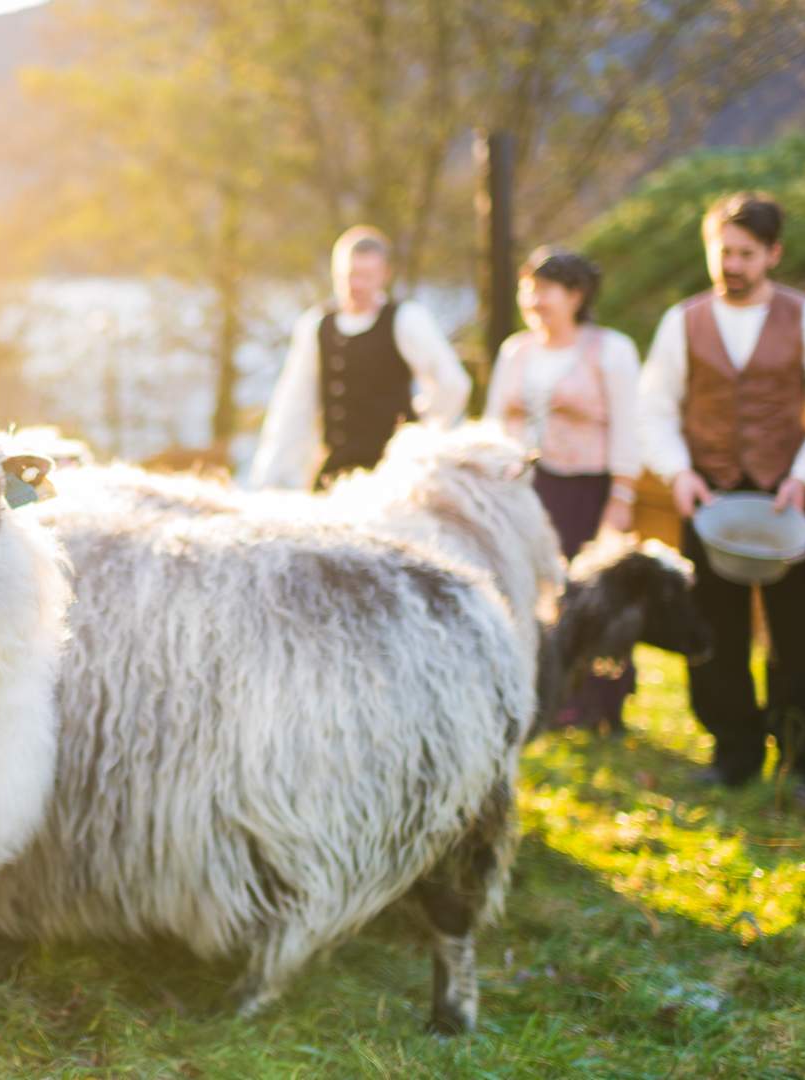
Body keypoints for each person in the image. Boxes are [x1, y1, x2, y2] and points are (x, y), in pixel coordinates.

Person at [638, 193, 805, 809]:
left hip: (786, 497)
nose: (731, 265)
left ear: (773, 254)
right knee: (713, 629)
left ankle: (800, 768)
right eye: (723, 252)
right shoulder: (681, 322)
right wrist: (678, 473)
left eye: (745, 254)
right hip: (706, 495)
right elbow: (653, 409)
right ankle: (733, 753)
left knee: (797, 636)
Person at [485, 248, 642, 733]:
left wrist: (622, 496)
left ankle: (594, 702)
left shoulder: (609, 350)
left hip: (585, 490)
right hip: (525, 491)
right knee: (527, 592)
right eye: (527, 288)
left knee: (586, 592)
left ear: (576, 295)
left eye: (545, 289)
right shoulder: (516, 351)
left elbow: (628, 426)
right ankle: (538, 694)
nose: (534, 300)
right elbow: (493, 421)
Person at [249, 226, 470, 490]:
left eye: (366, 276)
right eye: (350, 275)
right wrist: (271, 477)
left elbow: (454, 384)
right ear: (335, 273)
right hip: (335, 475)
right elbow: (293, 404)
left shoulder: (406, 319)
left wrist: (421, 429)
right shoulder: (315, 326)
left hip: (393, 478)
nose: (356, 285)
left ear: (384, 275)